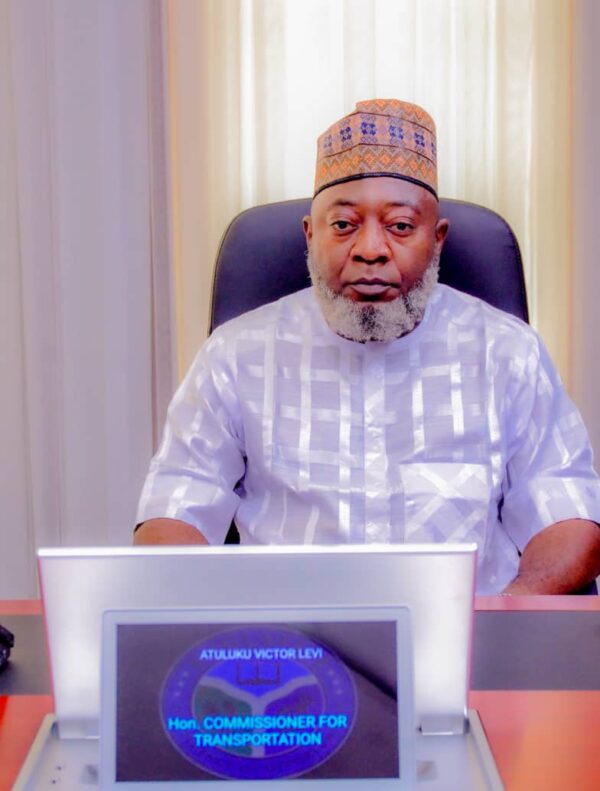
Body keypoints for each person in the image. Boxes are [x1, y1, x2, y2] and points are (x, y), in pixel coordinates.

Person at [135, 98, 600, 594]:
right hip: (289, 634)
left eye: (400, 226)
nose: (371, 250)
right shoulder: (234, 355)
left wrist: (500, 620)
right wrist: (229, 621)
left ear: (437, 239)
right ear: (310, 235)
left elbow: (568, 516)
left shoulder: (508, 352)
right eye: (343, 225)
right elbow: (174, 511)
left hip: (472, 629)